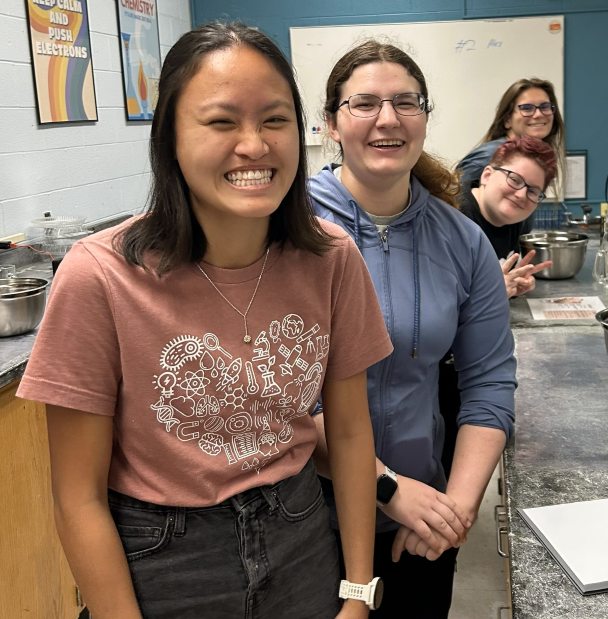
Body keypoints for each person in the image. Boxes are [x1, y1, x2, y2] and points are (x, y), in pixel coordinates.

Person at [16, 23, 393, 619]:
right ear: (168, 139)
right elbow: (77, 497)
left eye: (274, 120)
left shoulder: (331, 257)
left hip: (302, 542)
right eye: (221, 122)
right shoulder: (98, 277)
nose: (254, 145)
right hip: (162, 563)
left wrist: (357, 591)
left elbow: (347, 435)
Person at [307, 41, 517, 618]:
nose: (388, 119)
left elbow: (490, 386)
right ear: (331, 122)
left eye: (406, 102)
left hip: (422, 525)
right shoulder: (288, 230)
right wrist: (387, 488)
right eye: (364, 103)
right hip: (303, 525)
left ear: (425, 117)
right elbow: (273, 399)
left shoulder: (462, 240)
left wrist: (454, 508)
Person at [461, 135, 559, 298]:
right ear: (486, 176)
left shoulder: (514, 219)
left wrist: (512, 284)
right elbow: (434, 305)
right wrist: (491, 293)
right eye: (514, 179)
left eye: (533, 191)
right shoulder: (452, 219)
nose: (521, 195)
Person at [456, 78, 565, 188]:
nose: (538, 114)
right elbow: (453, 202)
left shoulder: (532, 159)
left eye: (545, 107)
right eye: (527, 108)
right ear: (507, 120)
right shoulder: (487, 157)